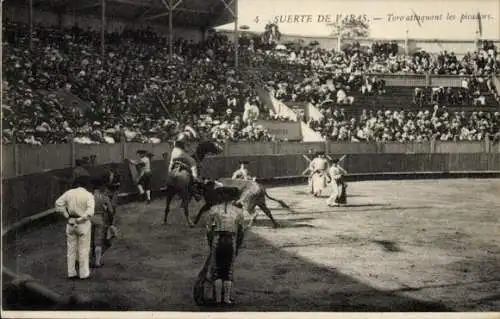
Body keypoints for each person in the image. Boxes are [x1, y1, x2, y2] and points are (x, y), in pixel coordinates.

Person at [205, 187, 246, 306]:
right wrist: (237, 246)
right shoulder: (238, 211)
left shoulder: (213, 209)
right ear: (234, 197)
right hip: (231, 240)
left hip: (217, 239)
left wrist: (211, 244)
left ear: (220, 197)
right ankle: (226, 299)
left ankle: (218, 300)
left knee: (217, 270)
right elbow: (241, 231)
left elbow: (208, 230)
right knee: (228, 271)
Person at [54, 175, 95, 280]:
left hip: (70, 222)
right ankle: (84, 274)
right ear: (86, 184)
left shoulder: (69, 193)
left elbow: (58, 204)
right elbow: (90, 212)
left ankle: (71, 273)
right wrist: (81, 219)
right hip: (83, 224)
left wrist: (66, 215)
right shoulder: (88, 195)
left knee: (71, 249)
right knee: (83, 249)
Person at [168, 125, 202, 199]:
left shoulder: (178, 136)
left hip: (174, 153)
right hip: (180, 153)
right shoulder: (184, 134)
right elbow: (196, 136)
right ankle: (195, 178)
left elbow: (181, 145)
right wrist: (191, 130)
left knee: (171, 163)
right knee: (193, 162)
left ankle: (169, 178)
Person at [90, 176, 115, 268]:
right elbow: (111, 211)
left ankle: (86, 260)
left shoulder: (88, 197)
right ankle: (97, 262)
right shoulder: (104, 197)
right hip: (100, 219)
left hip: (88, 219)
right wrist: (111, 223)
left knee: (89, 241)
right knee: (98, 241)